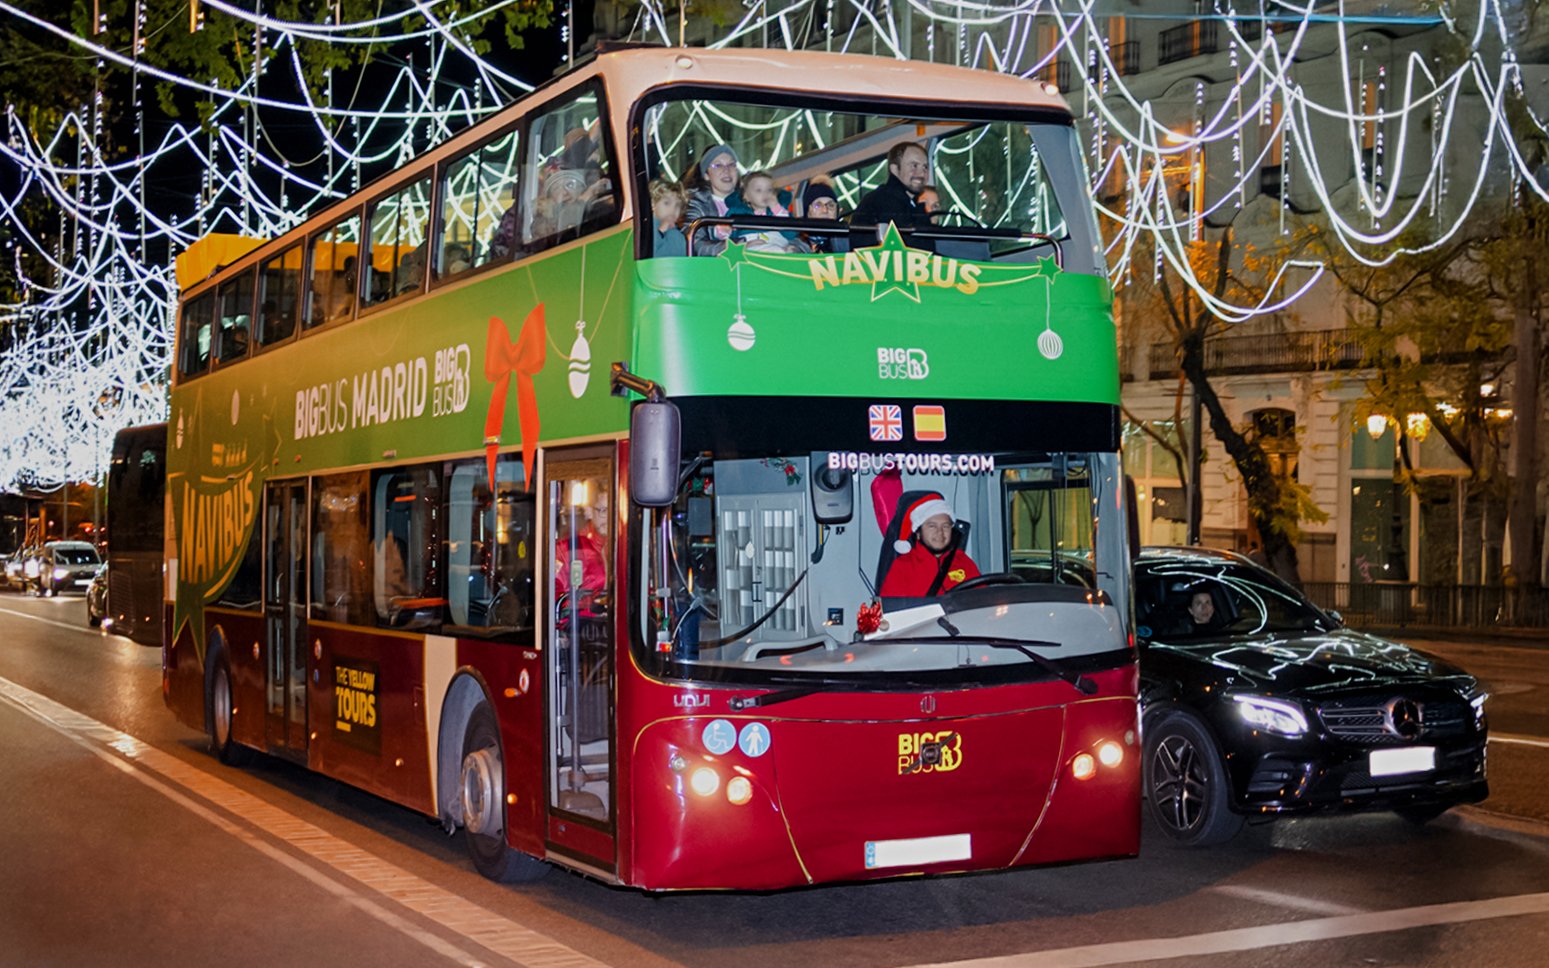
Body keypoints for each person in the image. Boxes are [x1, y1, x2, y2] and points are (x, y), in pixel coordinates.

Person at [879, 495, 980, 597]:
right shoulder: (903, 567)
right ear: (918, 533)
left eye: (945, 526)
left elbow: (983, 600)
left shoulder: (963, 561)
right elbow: (891, 609)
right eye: (932, 526)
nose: (940, 532)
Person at [850, 141, 933, 231]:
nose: (921, 173)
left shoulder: (912, 206)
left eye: (925, 167)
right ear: (894, 169)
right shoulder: (882, 202)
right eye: (914, 166)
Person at [684, 144, 741, 256]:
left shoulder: (751, 201)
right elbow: (695, 244)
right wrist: (740, 246)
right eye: (718, 165)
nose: (726, 170)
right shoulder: (696, 204)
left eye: (731, 165)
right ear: (706, 175)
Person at [727, 171, 798, 253]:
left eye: (769, 190)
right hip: (751, 245)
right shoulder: (737, 212)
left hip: (778, 243)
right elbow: (727, 235)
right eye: (758, 190)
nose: (765, 194)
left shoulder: (780, 212)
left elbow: (791, 234)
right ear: (746, 196)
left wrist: (777, 209)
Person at [796, 180, 842, 253]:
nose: (825, 210)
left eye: (831, 205)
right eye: (818, 205)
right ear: (807, 211)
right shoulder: (796, 245)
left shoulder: (847, 241)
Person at [649, 178, 688, 257]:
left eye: (677, 205)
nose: (672, 210)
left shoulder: (678, 236)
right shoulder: (648, 230)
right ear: (653, 204)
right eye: (666, 203)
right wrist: (660, 231)